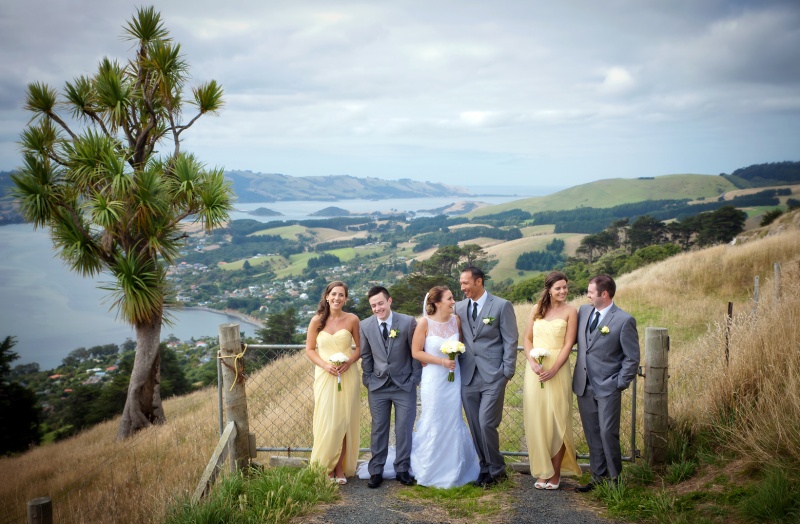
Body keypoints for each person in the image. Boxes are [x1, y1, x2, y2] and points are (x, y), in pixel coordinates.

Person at [572, 274, 640, 492]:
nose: (587, 295)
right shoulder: (583, 312)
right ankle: (597, 476)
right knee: (592, 432)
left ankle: (615, 481)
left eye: (591, 292)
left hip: (608, 386)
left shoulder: (624, 320)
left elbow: (632, 357)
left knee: (608, 433)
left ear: (604, 294)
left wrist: (619, 383)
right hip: (584, 384)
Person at [410, 286, 481, 488]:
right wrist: (441, 362)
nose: (453, 301)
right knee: (433, 418)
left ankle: (455, 468)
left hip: (453, 377)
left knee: (452, 418)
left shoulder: (455, 321)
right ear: (437, 302)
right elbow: (416, 352)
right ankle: (429, 469)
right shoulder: (424, 323)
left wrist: (452, 359)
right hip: (433, 379)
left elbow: (461, 345)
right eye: (449, 298)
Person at [456, 266, 519, 487]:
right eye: (461, 283)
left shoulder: (502, 306)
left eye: (465, 283)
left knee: (486, 424)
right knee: (474, 425)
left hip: (494, 375)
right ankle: (485, 468)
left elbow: (511, 340)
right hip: (468, 375)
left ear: (479, 282)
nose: (462, 287)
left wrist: (507, 372)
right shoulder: (459, 307)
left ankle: (497, 468)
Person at [522, 271, 581, 490]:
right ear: (549, 289)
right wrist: (532, 361)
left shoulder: (571, 311)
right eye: (558, 288)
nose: (563, 291)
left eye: (565, 287)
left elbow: (568, 344)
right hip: (535, 371)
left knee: (558, 420)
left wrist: (555, 368)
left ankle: (555, 474)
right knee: (538, 420)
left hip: (558, 368)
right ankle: (543, 471)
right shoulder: (537, 309)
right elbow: (527, 339)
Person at [359, 286, 420, 488]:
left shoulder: (407, 322)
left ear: (389, 301)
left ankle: (402, 468)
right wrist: (368, 379)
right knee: (379, 429)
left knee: (403, 429)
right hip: (377, 386)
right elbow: (366, 355)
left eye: (380, 303)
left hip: (404, 385)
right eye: (373, 305)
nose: (377, 308)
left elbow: (415, 352)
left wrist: (414, 379)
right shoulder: (365, 325)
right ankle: (376, 470)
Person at [305, 281, 361, 484]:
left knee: (345, 421)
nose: (337, 298)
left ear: (346, 299)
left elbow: (360, 348)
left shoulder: (353, 319)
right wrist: (325, 365)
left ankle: (339, 469)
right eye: (334, 294)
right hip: (325, 376)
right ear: (327, 297)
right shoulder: (316, 321)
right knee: (328, 421)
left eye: (341, 295)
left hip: (348, 374)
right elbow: (310, 349)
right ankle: (325, 466)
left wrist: (349, 362)